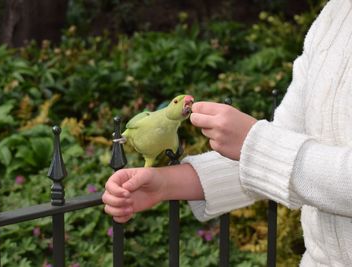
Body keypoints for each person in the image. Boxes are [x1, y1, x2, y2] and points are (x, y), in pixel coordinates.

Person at [102, 0, 352, 265]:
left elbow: (272, 153)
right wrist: (164, 184)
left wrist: (256, 144)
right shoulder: (335, 15)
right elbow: (281, 148)